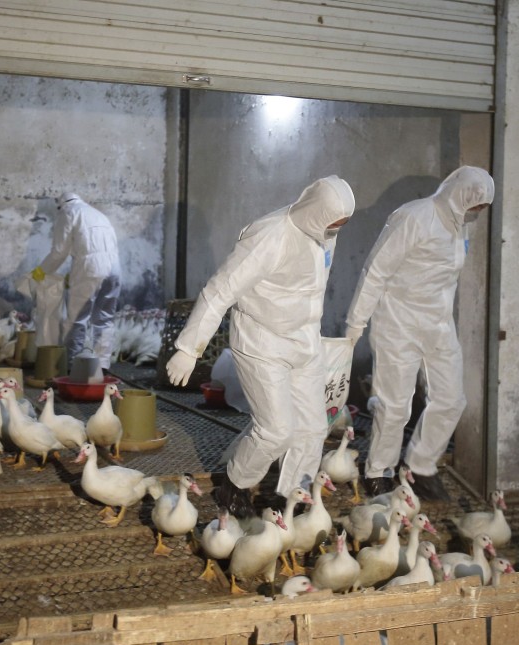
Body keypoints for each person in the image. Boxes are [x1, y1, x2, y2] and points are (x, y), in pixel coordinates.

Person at [166, 176, 356, 518]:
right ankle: (234, 485)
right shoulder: (270, 235)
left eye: (341, 225)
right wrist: (188, 349)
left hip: (305, 340)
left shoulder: (325, 231)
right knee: (276, 430)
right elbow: (220, 289)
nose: (336, 230)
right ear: (315, 212)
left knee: (313, 426)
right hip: (262, 341)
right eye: (333, 223)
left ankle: (292, 496)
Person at [344, 166, 494, 502]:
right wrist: (356, 324)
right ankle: (378, 473)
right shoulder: (414, 218)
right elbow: (375, 270)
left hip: (438, 325)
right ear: (459, 196)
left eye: (481, 210)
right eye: (475, 208)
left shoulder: (460, 226)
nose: (477, 214)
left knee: (452, 399)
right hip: (398, 323)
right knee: (394, 406)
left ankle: (421, 466)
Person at [30, 192, 121, 370]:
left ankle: (73, 366)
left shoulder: (68, 213)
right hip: (115, 269)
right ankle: (102, 366)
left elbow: (59, 252)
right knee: (104, 319)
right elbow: (93, 247)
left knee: (77, 319)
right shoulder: (97, 214)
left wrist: (41, 272)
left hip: (90, 269)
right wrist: (72, 275)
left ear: (60, 205)